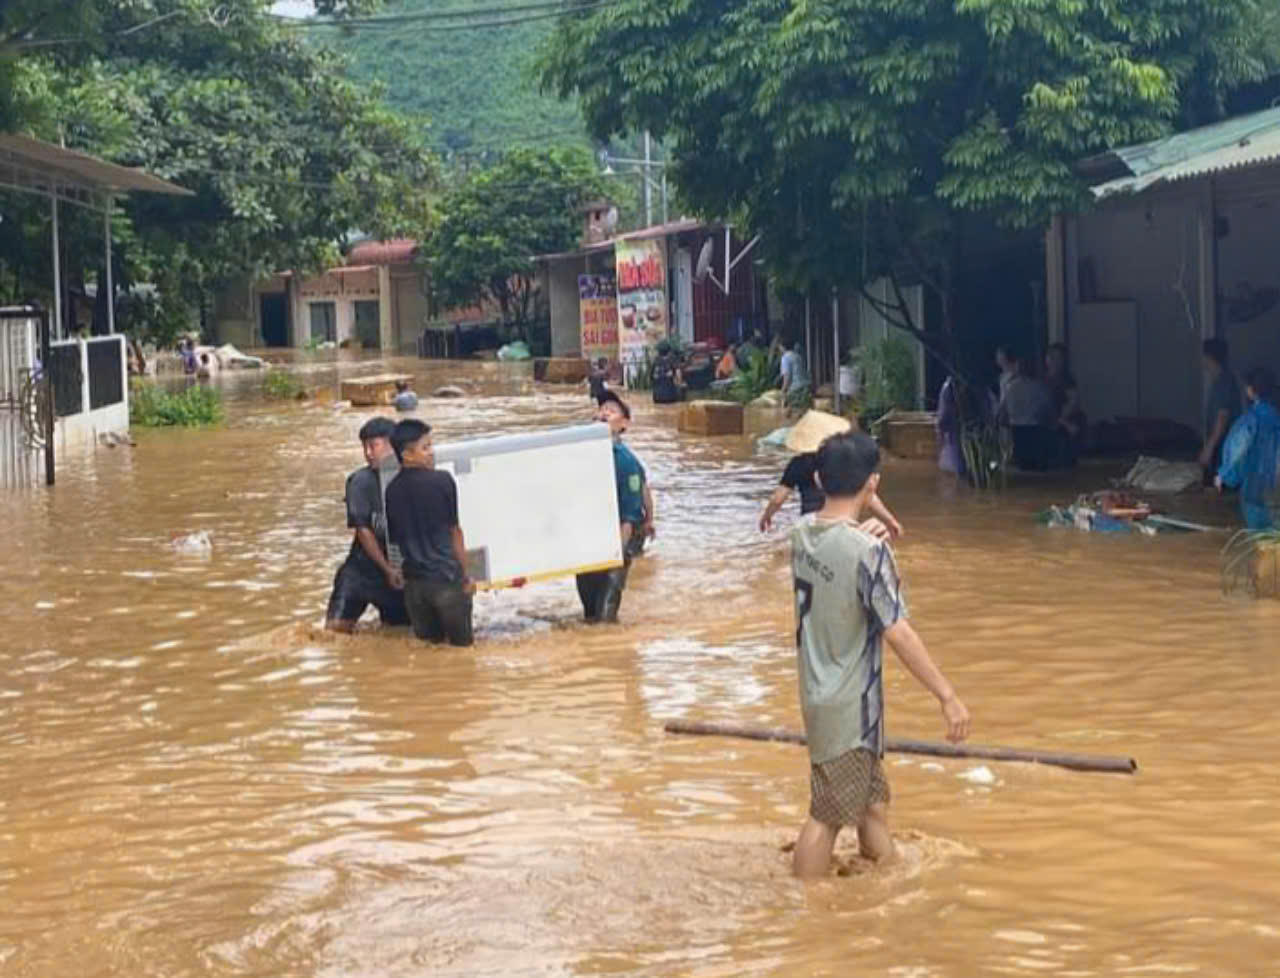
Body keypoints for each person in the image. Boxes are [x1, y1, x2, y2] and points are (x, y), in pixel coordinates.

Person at [790, 432, 970, 879]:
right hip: (848, 703)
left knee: (873, 805)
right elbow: (898, 631)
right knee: (827, 816)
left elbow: (837, 554)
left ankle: (889, 881)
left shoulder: (801, 533)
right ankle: (805, 902)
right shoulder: (868, 552)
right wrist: (947, 696)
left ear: (818, 479)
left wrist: (867, 540)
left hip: (823, 693)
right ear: (872, 484)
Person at [384, 418, 475, 646]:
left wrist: (396, 571)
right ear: (407, 455)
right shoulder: (442, 481)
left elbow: (395, 541)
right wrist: (467, 574)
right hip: (446, 581)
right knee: (463, 653)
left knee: (430, 651)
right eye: (425, 448)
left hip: (415, 589)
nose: (432, 453)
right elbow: (455, 532)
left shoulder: (391, 490)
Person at [324, 417, 410, 632]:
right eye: (364, 447)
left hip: (399, 575)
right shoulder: (359, 482)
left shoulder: (411, 479)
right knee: (334, 633)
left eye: (373, 446)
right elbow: (363, 531)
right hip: (361, 571)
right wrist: (387, 569)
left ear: (393, 445)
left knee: (399, 634)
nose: (368, 453)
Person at [576, 390, 654, 622]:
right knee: (589, 611)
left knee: (605, 615)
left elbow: (631, 510)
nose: (604, 413)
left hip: (620, 535)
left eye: (612, 411)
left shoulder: (625, 461)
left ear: (624, 424)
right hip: (591, 535)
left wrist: (617, 553)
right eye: (601, 409)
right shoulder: (582, 455)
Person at [1216, 366, 1280, 531]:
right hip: (1276, 490)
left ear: (1251, 391)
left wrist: (1224, 475)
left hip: (1255, 490)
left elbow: (1237, 450)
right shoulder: (1276, 418)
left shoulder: (1249, 421)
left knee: (1259, 538)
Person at [996, 354, 1054, 471]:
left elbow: (1002, 413)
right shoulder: (1040, 387)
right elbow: (1048, 409)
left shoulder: (1010, 388)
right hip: (1036, 431)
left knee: (1023, 465)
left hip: (1017, 432)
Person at [1200, 338, 1242, 481]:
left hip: (1225, 447)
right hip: (1223, 446)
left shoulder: (1223, 382)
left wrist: (1209, 448)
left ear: (1208, 357)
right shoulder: (1221, 380)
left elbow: (1222, 417)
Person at [1045, 343, 1086, 465]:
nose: (1054, 360)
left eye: (1058, 357)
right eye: (1051, 356)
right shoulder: (1042, 379)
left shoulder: (1067, 380)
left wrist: (1062, 418)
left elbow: (1074, 401)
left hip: (1062, 415)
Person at [779, 339, 811, 409]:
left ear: (782, 347)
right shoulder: (798, 356)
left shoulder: (785, 358)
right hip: (806, 386)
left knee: (794, 410)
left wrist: (783, 390)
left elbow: (787, 376)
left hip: (795, 389)